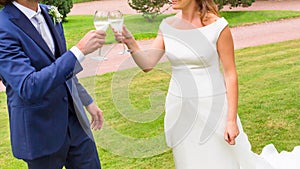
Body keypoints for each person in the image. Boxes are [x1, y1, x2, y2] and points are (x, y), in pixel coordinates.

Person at [114, 0, 300, 168]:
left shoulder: (218, 26)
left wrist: (231, 120)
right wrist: (130, 42)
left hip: (214, 108)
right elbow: (147, 64)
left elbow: (230, 74)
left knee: (222, 161)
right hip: (180, 110)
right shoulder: (167, 25)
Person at [0, 0, 105, 168]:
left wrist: (87, 101)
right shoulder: (3, 26)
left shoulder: (49, 12)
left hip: (75, 124)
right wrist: (78, 51)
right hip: (40, 131)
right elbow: (28, 86)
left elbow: (62, 67)